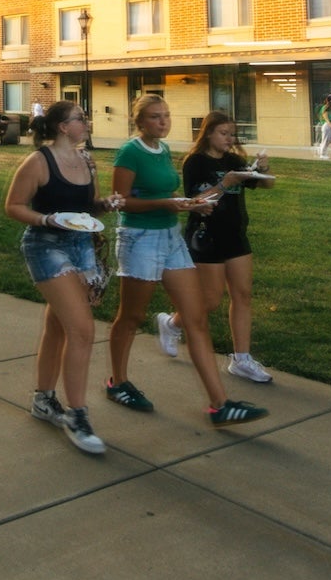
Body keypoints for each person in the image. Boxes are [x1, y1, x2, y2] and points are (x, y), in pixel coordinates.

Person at [105, 95, 268, 427]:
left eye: (166, 115)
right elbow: (121, 203)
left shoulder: (163, 150)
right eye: (155, 117)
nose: (163, 122)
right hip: (140, 239)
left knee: (196, 318)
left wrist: (192, 205)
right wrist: (171, 204)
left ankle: (219, 404)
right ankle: (117, 383)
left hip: (171, 238)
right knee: (132, 316)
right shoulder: (130, 153)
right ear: (140, 121)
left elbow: (170, 197)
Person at [3, 100, 115, 454]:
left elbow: (89, 203)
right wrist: (47, 220)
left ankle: (44, 400)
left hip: (81, 244)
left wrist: (105, 203)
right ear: (64, 127)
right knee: (82, 329)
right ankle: (77, 415)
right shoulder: (39, 161)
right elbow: (14, 206)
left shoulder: (86, 160)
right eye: (80, 118)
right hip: (45, 245)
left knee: (58, 325)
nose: (86, 122)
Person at [179, 110, 275, 384]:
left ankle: (241, 359)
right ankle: (172, 323)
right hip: (206, 236)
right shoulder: (195, 162)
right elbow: (194, 200)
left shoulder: (235, 160)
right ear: (208, 133)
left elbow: (265, 184)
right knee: (210, 300)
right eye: (224, 133)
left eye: (232, 134)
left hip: (235, 236)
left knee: (242, 295)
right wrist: (226, 183)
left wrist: (263, 168)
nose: (229, 139)